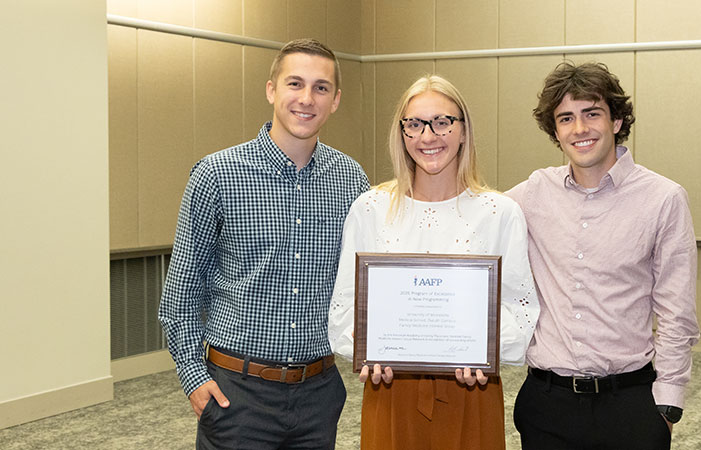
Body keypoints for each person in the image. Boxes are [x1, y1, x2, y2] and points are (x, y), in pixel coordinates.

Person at [159, 38, 369, 450]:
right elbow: (180, 295)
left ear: (336, 100)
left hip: (319, 394)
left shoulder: (351, 180)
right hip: (237, 394)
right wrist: (193, 377)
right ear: (271, 89)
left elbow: (363, 285)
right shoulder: (217, 175)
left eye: (321, 88)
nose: (306, 98)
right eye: (295, 83)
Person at [328, 75, 539, 450]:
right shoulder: (370, 209)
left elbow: (519, 309)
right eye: (415, 123)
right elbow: (346, 307)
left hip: (472, 390)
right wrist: (368, 350)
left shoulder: (499, 212)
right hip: (388, 388)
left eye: (442, 122)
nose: (428, 136)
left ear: (463, 131)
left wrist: (483, 351)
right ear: (402, 133)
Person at [507, 61, 700, 449]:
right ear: (555, 131)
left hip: (630, 405)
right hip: (547, 405)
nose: (579, 129)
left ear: (616, 121)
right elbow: (468, 219)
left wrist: (668, 404)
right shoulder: (529, 195)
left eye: (591, 113)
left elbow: (676, 312)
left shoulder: (663, 199)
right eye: (566, 118)